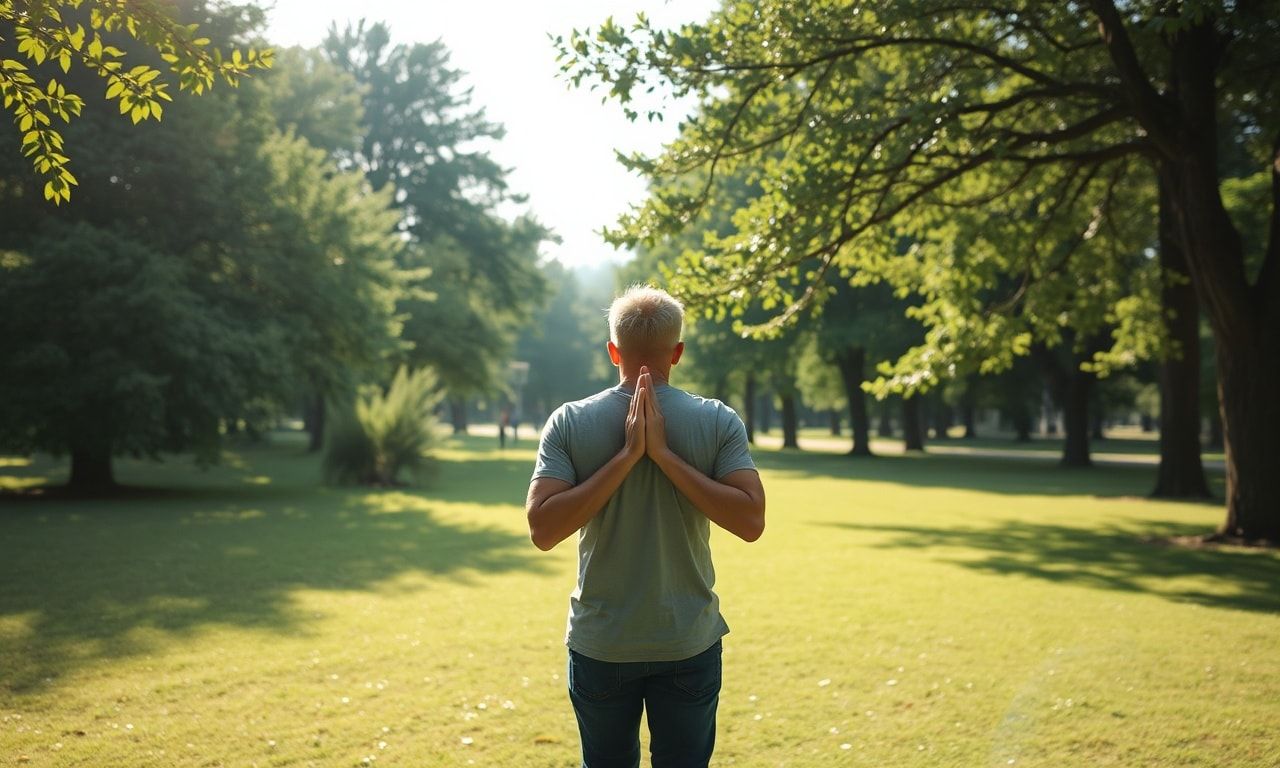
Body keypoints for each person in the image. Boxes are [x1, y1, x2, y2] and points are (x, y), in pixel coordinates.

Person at [526, 285, 766, 768]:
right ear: (676, 352)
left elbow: (542, 529)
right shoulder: (717, 420)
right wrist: (631, 454)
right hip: (686, 639)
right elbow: (752, 520)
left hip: (602, 643)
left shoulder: (569, 422)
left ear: (612, 350)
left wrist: (659, 454)